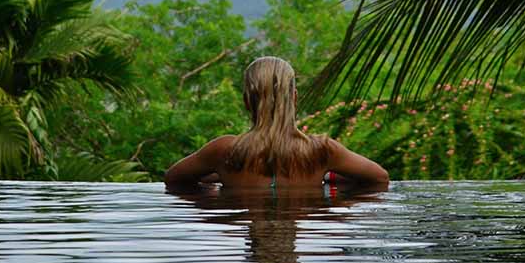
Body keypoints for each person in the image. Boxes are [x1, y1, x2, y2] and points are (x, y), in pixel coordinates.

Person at [164, 56, 389, 191]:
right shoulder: (321, 151)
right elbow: (380, 178)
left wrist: (215, 188)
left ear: (245, 100)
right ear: (294, 97)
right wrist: (329, 181)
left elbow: (172, 179)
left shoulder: (224, 151)